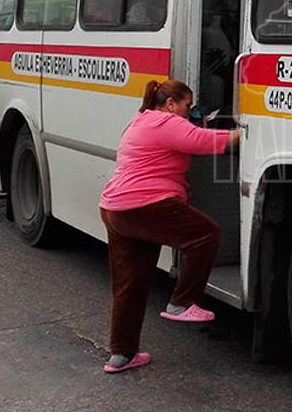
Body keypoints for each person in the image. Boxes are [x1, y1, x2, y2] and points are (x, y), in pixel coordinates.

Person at [99, 79, 242, 373]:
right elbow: (204, 141)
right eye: (188, 106)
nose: (190, 112)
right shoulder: (165, 121)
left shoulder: (140, 120)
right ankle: (182, 302)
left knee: (129, 285)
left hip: (115, 208)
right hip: (144, 205)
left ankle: (122, 354)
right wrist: (248, 133)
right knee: (205, 235)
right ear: (170, 104)